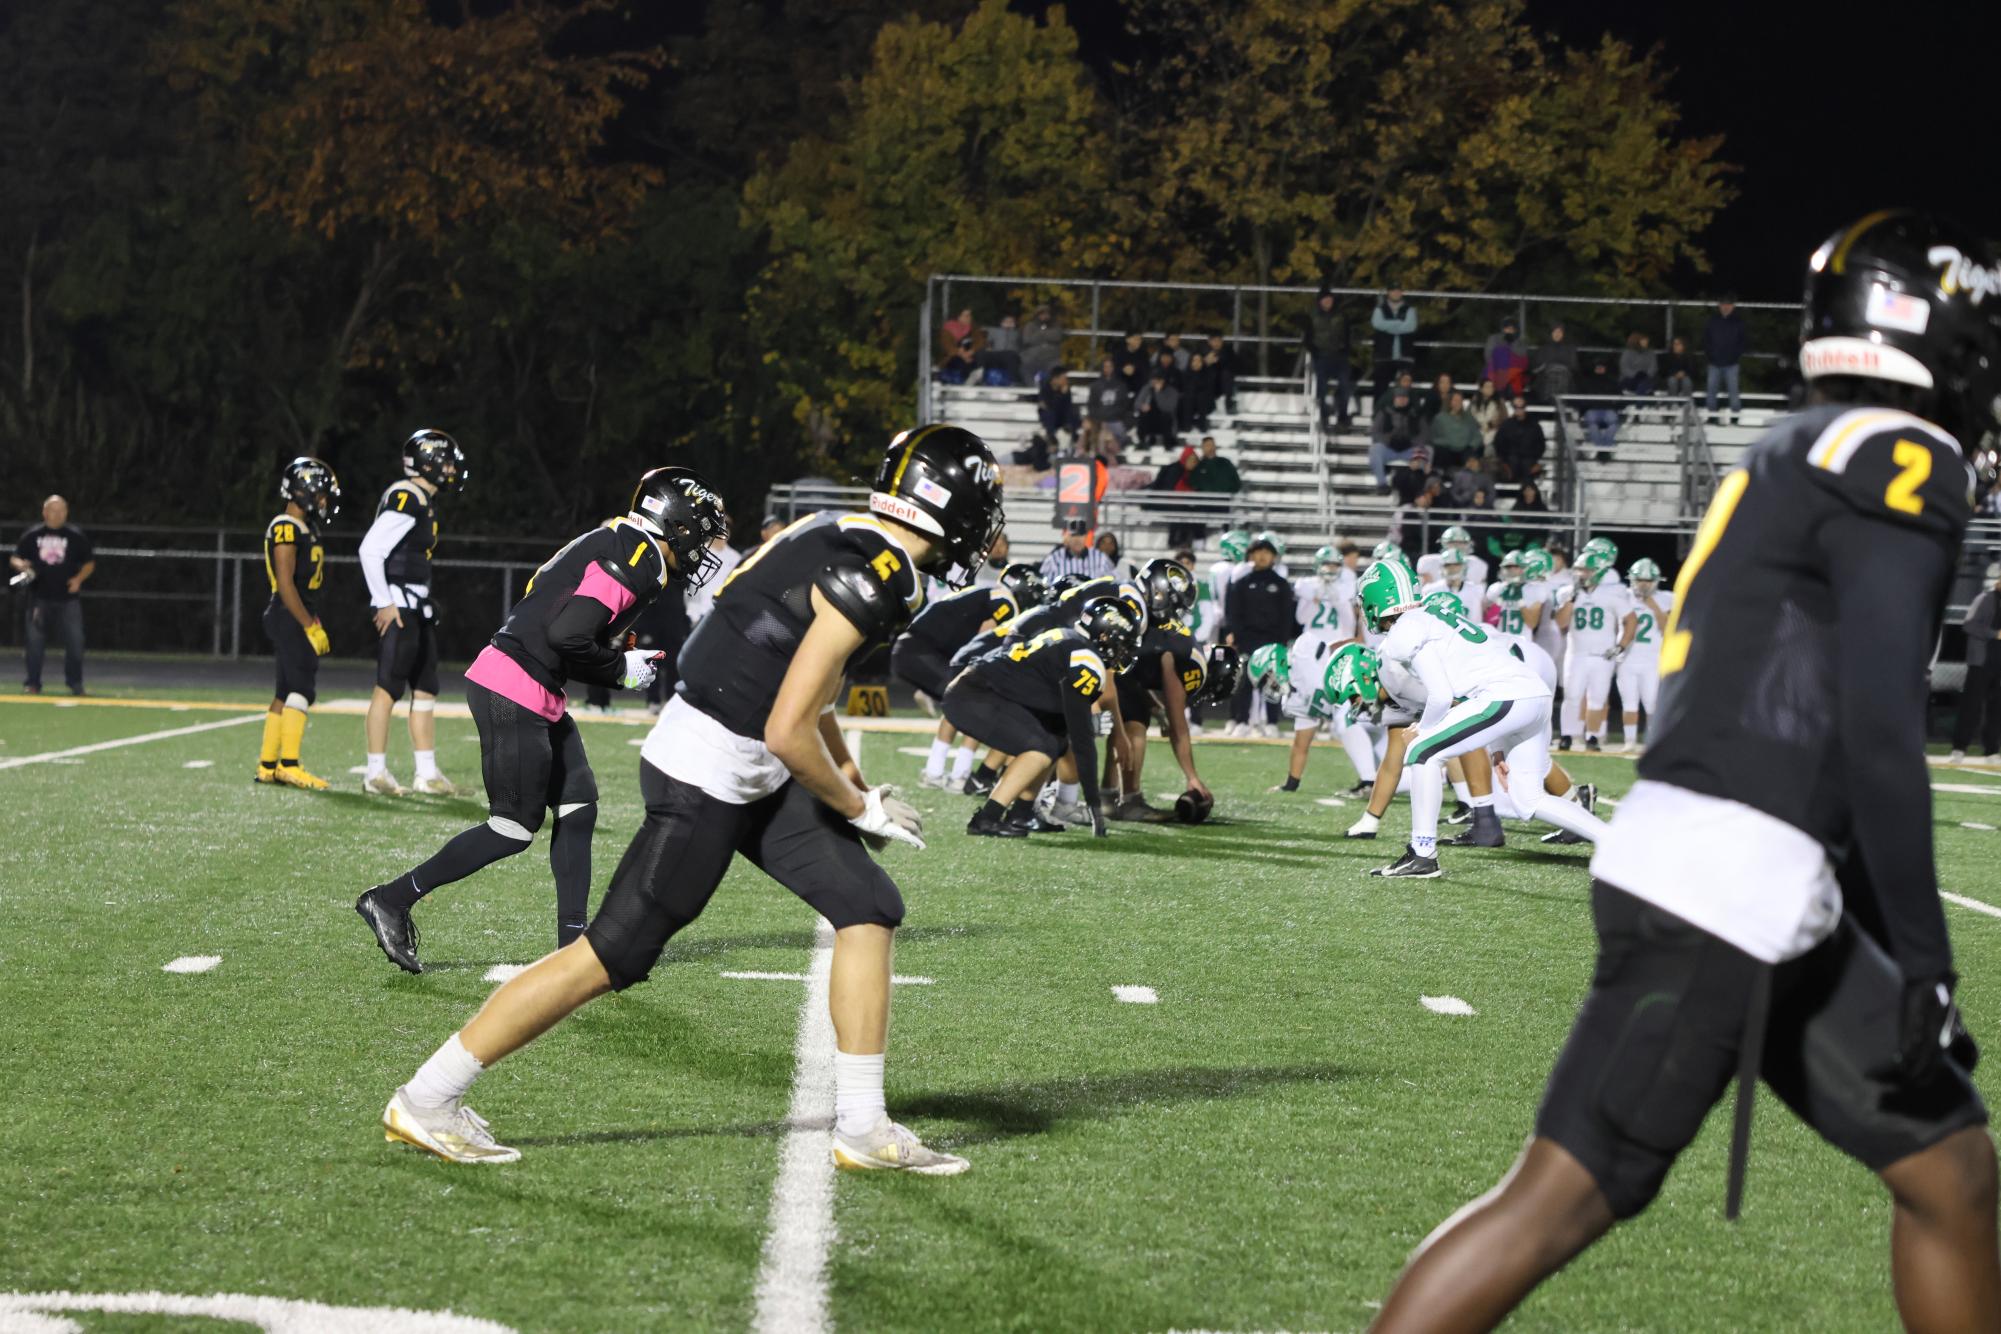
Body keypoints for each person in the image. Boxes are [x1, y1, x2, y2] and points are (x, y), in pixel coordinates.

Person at [1370, 211, 2001, 1333]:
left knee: (1950, 1167)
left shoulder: (1791, 443)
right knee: (1556, 1199)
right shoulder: (1905, 453)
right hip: (1728, 886)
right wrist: (1924, 959)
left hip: (1729, 867)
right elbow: (1876, 721)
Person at [378, 426, 1003, 1173]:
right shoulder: (876, 572)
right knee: (608, 957)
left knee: (867, 905)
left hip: (742, 761)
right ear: (950, 500)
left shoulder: (836, 530)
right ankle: (427, 1096)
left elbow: (807, 683)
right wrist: (856, 806)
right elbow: (786, 726)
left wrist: (855, 781)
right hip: (710, 770)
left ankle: (863, 1126)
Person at [356, 468, 729, 972]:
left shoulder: (621, 540)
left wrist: (612, 649)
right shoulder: (638, 555)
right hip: (515, 685)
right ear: (676, 524)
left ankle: (572, 949)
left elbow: (562, 619)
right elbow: (567, 635)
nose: (704, 546)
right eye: (701, 531)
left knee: (579, 804)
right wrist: (619, 669)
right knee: (513, 827)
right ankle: (393, 899)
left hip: (532, 683)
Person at [1355, 559, 1606, 877]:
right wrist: (1499, 747)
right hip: (1533, 695)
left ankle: (1422, 854)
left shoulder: (1404, 632)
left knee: (1422, 752)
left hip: (1507, 697)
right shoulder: (1428, 615)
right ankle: (1614, 842)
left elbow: (1442, 695)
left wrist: (1424, 730)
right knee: (1528, 799)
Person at [946, 595, 1136, 837]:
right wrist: (1094, 806)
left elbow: (1061, 720)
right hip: (976, 694)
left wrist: (1083, 724)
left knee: (1054, 740)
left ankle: (1021, 814)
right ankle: (986, 819)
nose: (1124, 650)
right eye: (1123, 642)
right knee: (1039, 749)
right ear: (1105, 634)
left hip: (980, 690)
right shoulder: (1086, 659)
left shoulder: (1072, 642)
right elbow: (1083, 742)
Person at [359, 429, 467, 797]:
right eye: (447, 462)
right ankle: (375, 772)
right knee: (388, 687)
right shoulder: (407, 495)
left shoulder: (423, 498)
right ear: (428, 462)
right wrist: (383, 601)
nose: (452, 469)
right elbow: (370, 550)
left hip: (417, 605)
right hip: (401, 606)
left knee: (425, 689)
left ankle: (426, 773)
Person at [895, 563, 1044, 789]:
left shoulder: (987, 593)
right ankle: (958, 775)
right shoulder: (1006, 602)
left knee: (966, 700)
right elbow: (984, 638)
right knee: (978, 701)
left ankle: (937, 771)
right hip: (923, 652)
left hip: (915, 649)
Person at [255, 459, 341, 790]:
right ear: (303, 491)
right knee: (301, 689)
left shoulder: (303, 527)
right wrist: (309, 624)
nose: (323, 501)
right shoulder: (286, 526)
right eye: (320, 494)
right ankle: (289, 764)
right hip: (289, 613)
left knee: (283, 690)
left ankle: (267, 765)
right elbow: (286, 583)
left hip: (293, 613)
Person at [11, 494, 94, 696]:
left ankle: (75, 683)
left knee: (75, 642)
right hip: (39, 597)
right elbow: (15, 557)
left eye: (61, 510)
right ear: (45, 512)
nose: (57, 514)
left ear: (66, 512)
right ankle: (33, 683)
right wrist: (21, 565)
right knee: (34, 643)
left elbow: (89, 563)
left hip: (68, 599)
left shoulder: (75, 536)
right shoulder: (32, 535)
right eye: (53, 510)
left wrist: (78, 580)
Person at [1552, 551, 1635, 752]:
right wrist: (1571, 600)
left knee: (1597, 697)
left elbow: (1631, 619)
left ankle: (1592, 737)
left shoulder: (1610, 594)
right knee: (1572, 696)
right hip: (1576, 653)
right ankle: (1567, 736)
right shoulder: (1567, 592)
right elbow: (1561, 622)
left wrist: (1621, 645)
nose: (1583, 574)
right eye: (1580, 569)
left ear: (1598, 572)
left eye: (1588, 570)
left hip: (1602, 654)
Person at [1223, 536, 1295, 737]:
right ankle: (1242, 721)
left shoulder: (1281, 584)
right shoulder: (1242, 583)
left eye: (1267, 553)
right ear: (1251, 556)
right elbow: (1233, 612)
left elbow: (1287, 614)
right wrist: (1236, 636)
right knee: (1244, 681)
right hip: (1247, 639)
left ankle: (1271, 722)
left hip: (1273, 640)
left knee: (1273, 680)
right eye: (1258, 552)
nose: (1262, 556)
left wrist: (1282, 640)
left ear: (1273, 557)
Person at [1613, 557, 1671, 752]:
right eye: (1640, 580)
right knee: (1628, 702)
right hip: (1627, 658)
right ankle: (1629, 741)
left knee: (1652, 703)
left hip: (1653, 659)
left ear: (1655, 581)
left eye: (1647, 580)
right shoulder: (1624, 596)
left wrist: (1652, 604)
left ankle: (1652, 741)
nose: (1643, 584)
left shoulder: (1666, 598)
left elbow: (1668, 628)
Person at [1951, 561, 2001, 762]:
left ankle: (1991, 750)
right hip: (1981, 661)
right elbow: (1968, 625)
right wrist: (1994, 634)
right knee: (1971, 705)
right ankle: (1959, 748)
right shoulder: (1985, 598)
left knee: (1997, 709)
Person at [1304, 287, 1355, 428]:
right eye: (1325, 299)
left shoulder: (1342, 315)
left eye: (1330, 299)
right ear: (1320, 301)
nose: (1328, 301)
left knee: (1345, 385)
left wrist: (1345, 350)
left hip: (1340, 356)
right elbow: (1307, 338)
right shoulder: (1312, 316)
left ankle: (1342, 416)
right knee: (1322, 387)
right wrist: (1315, 351)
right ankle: (1324, 414)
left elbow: (1348, 335)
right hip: (1322, 356)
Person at [1370, 385, 1426, 491]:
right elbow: (1375, 432)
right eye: (1399, 397)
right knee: (1375, 449)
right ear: (1394, 399)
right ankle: (1382, 484)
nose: (1402, 400)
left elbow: (1424, 434)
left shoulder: (1416, 414)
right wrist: (1388, 439)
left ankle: (1420, 488)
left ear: (1408, 399)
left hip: (1409, 449)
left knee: (1425, 451)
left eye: (1404, 398)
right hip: (1389, 448)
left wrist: (1414, 443)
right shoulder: (1384, 412)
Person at [1370, 286, 1418, 407]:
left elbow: (1411, 326)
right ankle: (1378, 416)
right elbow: (1377, 324)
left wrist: (1388, 326)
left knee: (1406, 390)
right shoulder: (1379, 309)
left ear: (1402, 292)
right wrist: (1399, 324)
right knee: (1380, 388)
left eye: (1398, 290)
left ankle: (1408, 416)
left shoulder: (1410, 309)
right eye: (1393, 290)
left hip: (1405, 356)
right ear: (1388, 292)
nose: (1396, 293)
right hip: (1383, 356)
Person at [1703, 294, 1747, 424]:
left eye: (1728, 304)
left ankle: (1735, 417)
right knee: (1711, 391)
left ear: (1733, 306)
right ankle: (1712, 416)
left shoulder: (1739, 322)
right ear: (1719, 305)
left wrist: (1735, 356)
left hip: (1731, 363)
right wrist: (1710, 355)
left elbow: (1743, 342)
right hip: (1714, 362)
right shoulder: (1712, 321)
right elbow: (1706, 340)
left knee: (1733, 391)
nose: (1726, 307)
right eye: (1723, 304)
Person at [1152, 447, 1204, 548]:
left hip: (1183, 502)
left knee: (1192, 510)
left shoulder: (1194, 474)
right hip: (1164, 501)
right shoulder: (1174, 470)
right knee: (1180, 510)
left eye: (1195, 461)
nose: (1193, 463)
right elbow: (1167, 489)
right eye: (1191, 460)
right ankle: (1174, 541)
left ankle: (1187, 541)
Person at [1039, 517, 1115, 582]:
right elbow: (1044, 585)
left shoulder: (1100, 558)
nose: (1077, 540)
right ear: (1067, 537)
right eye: (1073, 536)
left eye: (1080, 535)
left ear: (1085, 536)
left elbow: (1114, 581)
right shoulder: (1054, 559)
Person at [1492, 394, 1546, 482]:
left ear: (1525, 407)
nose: (1519, 409)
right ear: (1513, 408)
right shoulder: (1506, 425)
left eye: (1522, 407)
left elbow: (1541, 445)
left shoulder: (1534, 426)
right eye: (1516, 407)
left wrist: (1535, 459)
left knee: (1526, 465)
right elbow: (1498, 444)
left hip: (1529, 460)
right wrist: (1504, 462)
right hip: (1510, 462)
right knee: (1512, 463)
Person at [1428, 390, 1481, 472]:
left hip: (1465, 450)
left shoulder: (1469, 418)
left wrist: (1471, 446)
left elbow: (1477, 436)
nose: (1458, 403)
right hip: (1447, 450)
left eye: (1460, 400)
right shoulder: (1440, 418)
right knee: (1441, 452)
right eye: (1455, 400)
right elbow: (1433, 437)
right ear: (1449, 402)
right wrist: (1447, 442)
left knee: (1471, 456)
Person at [1086, 356, 1133, 449]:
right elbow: (1092, 405)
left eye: (1110, 366)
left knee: (1122, 437)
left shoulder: (1121, 385)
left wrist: (1115, 416)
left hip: (1115, 419)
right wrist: (1097, 418)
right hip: (1099, 420)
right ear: (1102, 368)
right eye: (1105, 366)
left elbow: (1124, 405)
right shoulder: (1095, 386)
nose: (1108, 369)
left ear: (1113, 368)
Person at [1577, 357, 1621, 457]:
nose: (1600, 369)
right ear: (1594, 369)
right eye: (1598, 367)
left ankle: (1602, 449)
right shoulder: (1587, 382)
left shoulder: (1612, 381)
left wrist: (1615, 406)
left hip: (1608, 409)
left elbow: (1620, 397)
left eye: (1602, 367)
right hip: (1592, 409)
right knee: (1592, 425)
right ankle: (1603, 449)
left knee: (1614, 423)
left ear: (1605, 369)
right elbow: (1580, 398)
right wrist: (1582, 411)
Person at [1529, 322, 1578, 404]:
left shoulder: (1569, 348)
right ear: (1551, 333)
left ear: (1563, 334)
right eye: (1555, 332)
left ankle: (1561, 403)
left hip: (1565, 379)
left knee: (1563, 379)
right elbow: (1535, 368)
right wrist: (1546, 366)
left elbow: (1574, 366)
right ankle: (1549, 403)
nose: (1557, 334)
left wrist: (1561, 368)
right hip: (1546, 379)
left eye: (1560, 332)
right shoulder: (1544, 348)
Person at [1019, 304, 1066, 384]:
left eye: (1047, 314)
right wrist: (1044, 335)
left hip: (1051, 359)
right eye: (1042, 314)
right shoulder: (1030, 326)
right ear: (1037, 315)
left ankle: (1050, 390)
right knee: (1024, 368)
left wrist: (1040, 334)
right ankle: (1031, 388)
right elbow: (1027, 340)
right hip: (1032, 358)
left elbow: (1057, 337)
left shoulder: (1056, 326)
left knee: (1057, 370)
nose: (1045, 316)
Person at [1483, 318, 1528, 398]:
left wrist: (1512, 342)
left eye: (1512, 328)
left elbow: (1522, 355)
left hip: (1513, 375)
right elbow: (1488, 357)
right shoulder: (1494, 339)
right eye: (1507, 328)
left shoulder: (1519, 342)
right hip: (1496, 373)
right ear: (1503, 329)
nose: (1509, 330)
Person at [1135, 373, 1180, 449]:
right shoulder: (1147, 388)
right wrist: (1142, 406)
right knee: (1143, 416)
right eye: (1153, 380)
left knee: (1166, 417)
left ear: (1163, 381)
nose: (1154, 383)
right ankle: (1142, 442)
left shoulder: (1172, 391)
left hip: (1165, 420)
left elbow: (1169, 408)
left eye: (1156, 380)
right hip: (1150, 419)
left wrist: (1158, 393)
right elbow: (1137, 403)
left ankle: (1168, 444)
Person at [1470, 378, 1505, 451]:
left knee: (1490, 449)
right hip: (1477, 433)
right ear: (1481, 389)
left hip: (1494, 434)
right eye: (1487, 387)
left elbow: (1503, 418)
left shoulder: (1499, 402)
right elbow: (1469, 417)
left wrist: (1490, 425)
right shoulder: (1474, 402)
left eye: (1492, 387)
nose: (1490, 389)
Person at [1659, 334, 1695, 399]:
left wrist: (1684, 373)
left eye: (1678, 344)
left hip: (1685, 377)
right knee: (1672, 380)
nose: (1675, 346)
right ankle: (1673, 403)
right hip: (1671, 377)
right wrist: (1674, 374)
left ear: (1683, 346)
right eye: (1674, 344)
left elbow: (1693, 370)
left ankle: (1687, 403)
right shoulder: (1668, 356)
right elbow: (1663, 371)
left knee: (1687, 381)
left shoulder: (1689, 356)